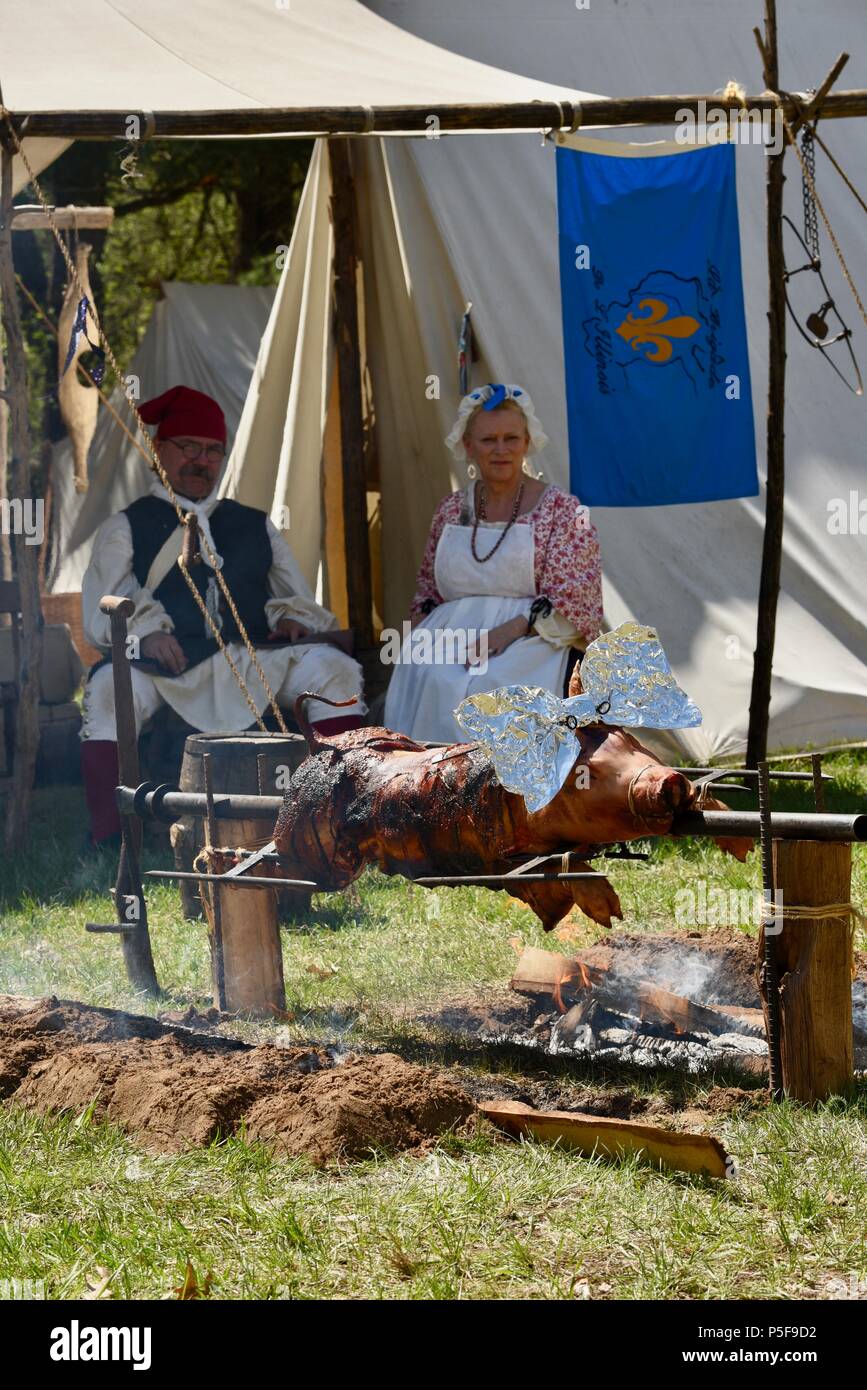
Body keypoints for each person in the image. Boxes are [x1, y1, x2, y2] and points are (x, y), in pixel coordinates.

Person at [80, 384, 366, 845]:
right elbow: (106, 607)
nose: (201, 460)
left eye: (213, 450)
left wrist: (293, 621)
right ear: (159, 450)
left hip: (252, 661)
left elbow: (293, 596)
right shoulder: (126, 526)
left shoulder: (255, 523)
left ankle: (337, 817)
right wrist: (146, 633)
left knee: (334, 671)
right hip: (170, 669)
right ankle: (112, 836)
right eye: (188, 447)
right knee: (107, 691)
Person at [383, 382, 602, 743]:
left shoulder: (562, 510)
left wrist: (507, 632)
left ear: (527, 443)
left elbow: (576, 600)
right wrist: (414, 639)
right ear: (467, 446)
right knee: (431, 677)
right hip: (450, 633)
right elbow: (428, 590)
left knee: (492, 686)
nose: (501, 450)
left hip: (530, 637)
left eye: (511, 439)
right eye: (488, 440)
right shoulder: (450, 510)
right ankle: (430, 790)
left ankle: (504, 791)